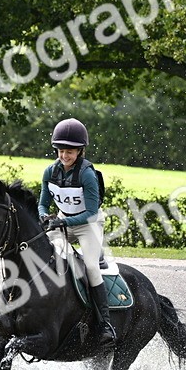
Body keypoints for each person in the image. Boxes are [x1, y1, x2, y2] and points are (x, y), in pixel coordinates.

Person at [38, 117, 117, 347]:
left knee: (91, 267)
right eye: (61, 151)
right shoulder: (49, 172)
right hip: (62, 221)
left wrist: (64, 223)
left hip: (87, 226)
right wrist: (45, 216)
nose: (65, 156)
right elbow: (43, 203)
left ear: (80, 151)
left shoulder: (87, 175)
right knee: (51, 258)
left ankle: (105, 325)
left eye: (70, 151)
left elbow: (91, 213)